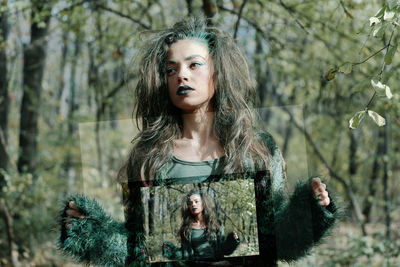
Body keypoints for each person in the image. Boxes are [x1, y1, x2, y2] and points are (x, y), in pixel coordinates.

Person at [59, 16, 340, 266]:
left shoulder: (257, 149)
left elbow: (278, 238)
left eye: (194, 64)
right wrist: (92, 232)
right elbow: (138, 249)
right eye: (171, 70)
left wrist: (312, 211)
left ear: (218, 74)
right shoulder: (148, 156)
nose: (182, 74)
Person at [162, 190, 240, 262]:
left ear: (203, 204)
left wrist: (232, 241)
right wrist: (170, 250)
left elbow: (223, 249)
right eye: (190, 203)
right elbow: (185, 254)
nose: (193, 204)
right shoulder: (186, 229)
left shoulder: (216, 224)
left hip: (217, 263)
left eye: (196, 201)